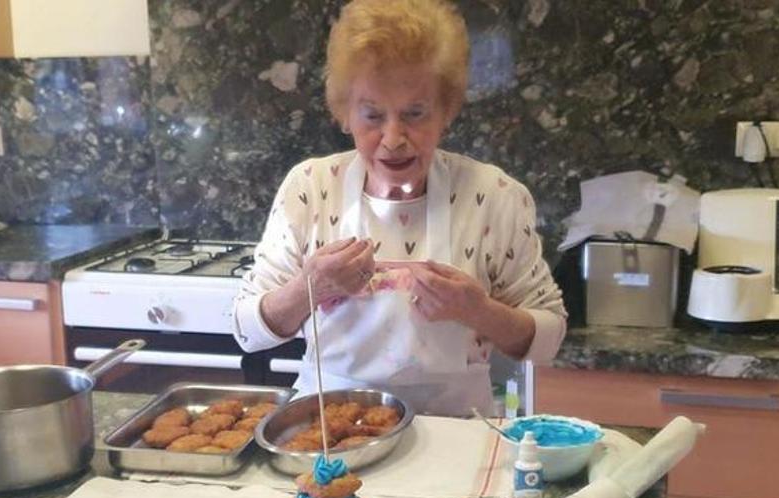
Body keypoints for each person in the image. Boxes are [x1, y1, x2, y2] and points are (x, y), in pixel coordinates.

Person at [232, 0, 566, 416]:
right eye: (372, 115)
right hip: (328, 428)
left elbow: (549, 338)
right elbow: (248, 331)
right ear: (344, 113)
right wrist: (309, 288)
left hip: (455, 433)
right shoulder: (311, 188)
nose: (393, 138)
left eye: (415, 113)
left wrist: (478, 311)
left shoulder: (494, 195)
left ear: (446, 110)